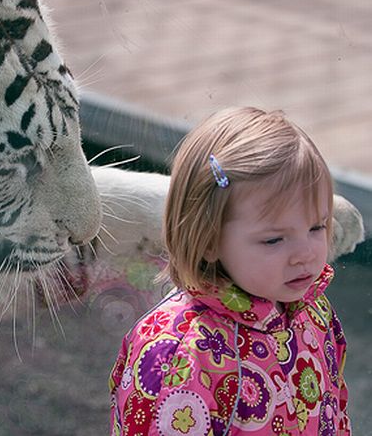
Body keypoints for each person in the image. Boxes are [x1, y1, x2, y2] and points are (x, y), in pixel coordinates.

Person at [109, 107, 350, 435]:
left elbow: (333, 410)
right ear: (208, 238)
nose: (306, 253)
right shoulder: (180, 355)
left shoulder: (311, 311)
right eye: (274, 239)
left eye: (317, 226)